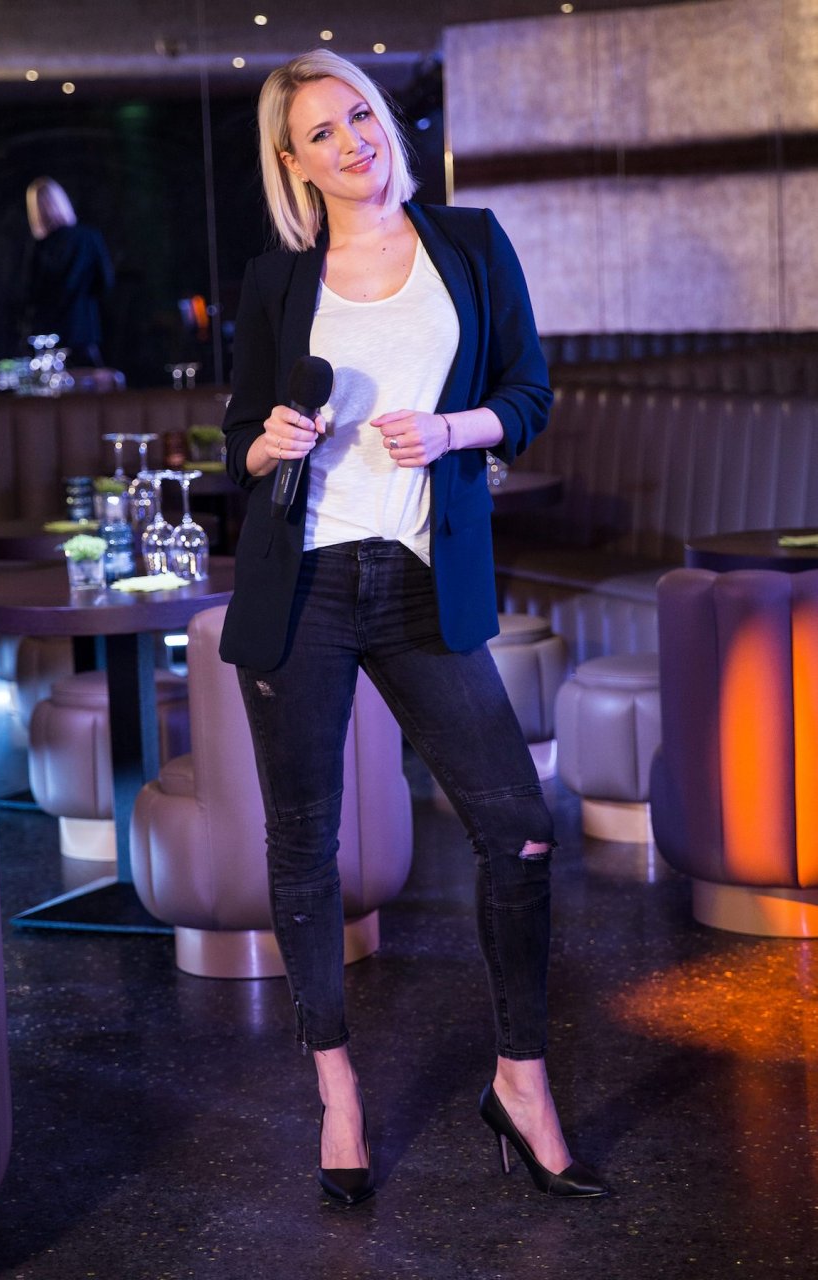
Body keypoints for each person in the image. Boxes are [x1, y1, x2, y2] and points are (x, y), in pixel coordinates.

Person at [219, 49, 607, 1206]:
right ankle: (336, 1090)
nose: (353, 143)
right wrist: (266, 443)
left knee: (519, 827)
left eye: (360, 116)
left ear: (384, 120)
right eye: (322, 135)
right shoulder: (276, 281)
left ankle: (521, 1080)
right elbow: (240, 438)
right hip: (302, 583)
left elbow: (528, 393)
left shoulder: (471, 244)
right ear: (293, 163)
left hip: (422, 579)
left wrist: (453, 431)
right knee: (305, 843)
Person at [22, 177, 114, 366]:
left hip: (49, 333)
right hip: (83, 329)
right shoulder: (89, 238)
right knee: (92, 379)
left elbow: (30, 292)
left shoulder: (40, 247)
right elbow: (105, 281)